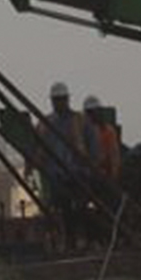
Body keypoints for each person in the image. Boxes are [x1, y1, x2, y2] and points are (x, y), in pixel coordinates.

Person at [35, 82, 97, 249]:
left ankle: (85, 239)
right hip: (56, 176)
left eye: (61, 99)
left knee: (81, 209)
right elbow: (38, 149)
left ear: (67, 99)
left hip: (79, 173)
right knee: (64, 209)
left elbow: (92, 146)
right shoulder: (45, 123)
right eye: (56, 100)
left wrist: (90, 167)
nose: (59, 103)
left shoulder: (80, 121)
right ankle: (70, 241)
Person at [83, 95, 123, 182]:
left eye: (94, 111)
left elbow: (114, 155)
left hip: (105, 175)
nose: (92, 115)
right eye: (89, 112)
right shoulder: (81, 131)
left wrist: (113, 176)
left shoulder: (108, 131)